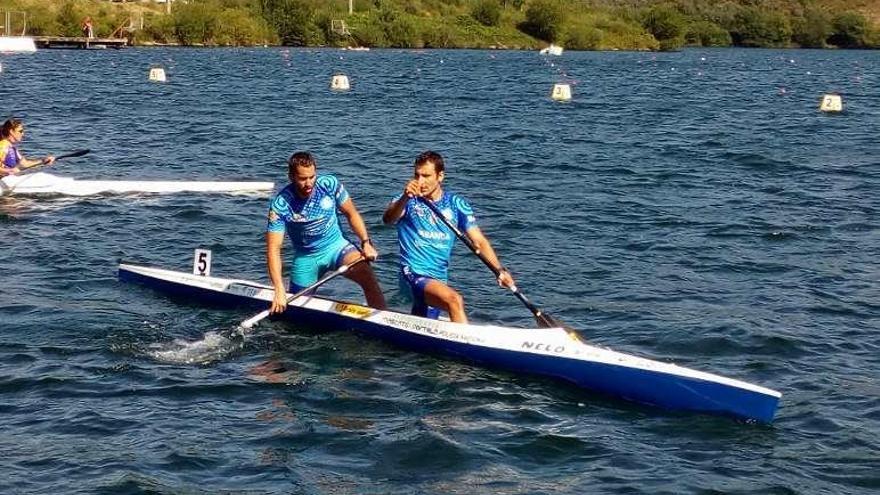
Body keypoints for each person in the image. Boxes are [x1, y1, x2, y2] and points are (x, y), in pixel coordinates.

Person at [382, 150, 514, 324]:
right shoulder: (407, 200)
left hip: (438, 279)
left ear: (440, 176)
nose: (420, 181)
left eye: (426, 176)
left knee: (424, 328)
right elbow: (388, 219)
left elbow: (479, 241)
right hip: (412, 274)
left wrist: (499, 270)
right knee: (454, 300)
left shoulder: (456, 204)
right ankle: (468, 347)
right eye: (417, 175)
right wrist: (405, 198)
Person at [266, 151, 386, 314]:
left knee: (367, 275)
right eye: (302, 179)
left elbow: (352, 214)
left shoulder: (329, 184)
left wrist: (365, 242)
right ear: (291, 177)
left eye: (312, 177)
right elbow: (274, 249)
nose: (309, 184)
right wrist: (279, 289)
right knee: (296, 309)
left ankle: (381, 319)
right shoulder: (281, 205)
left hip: (337, 247)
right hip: (307, 257)